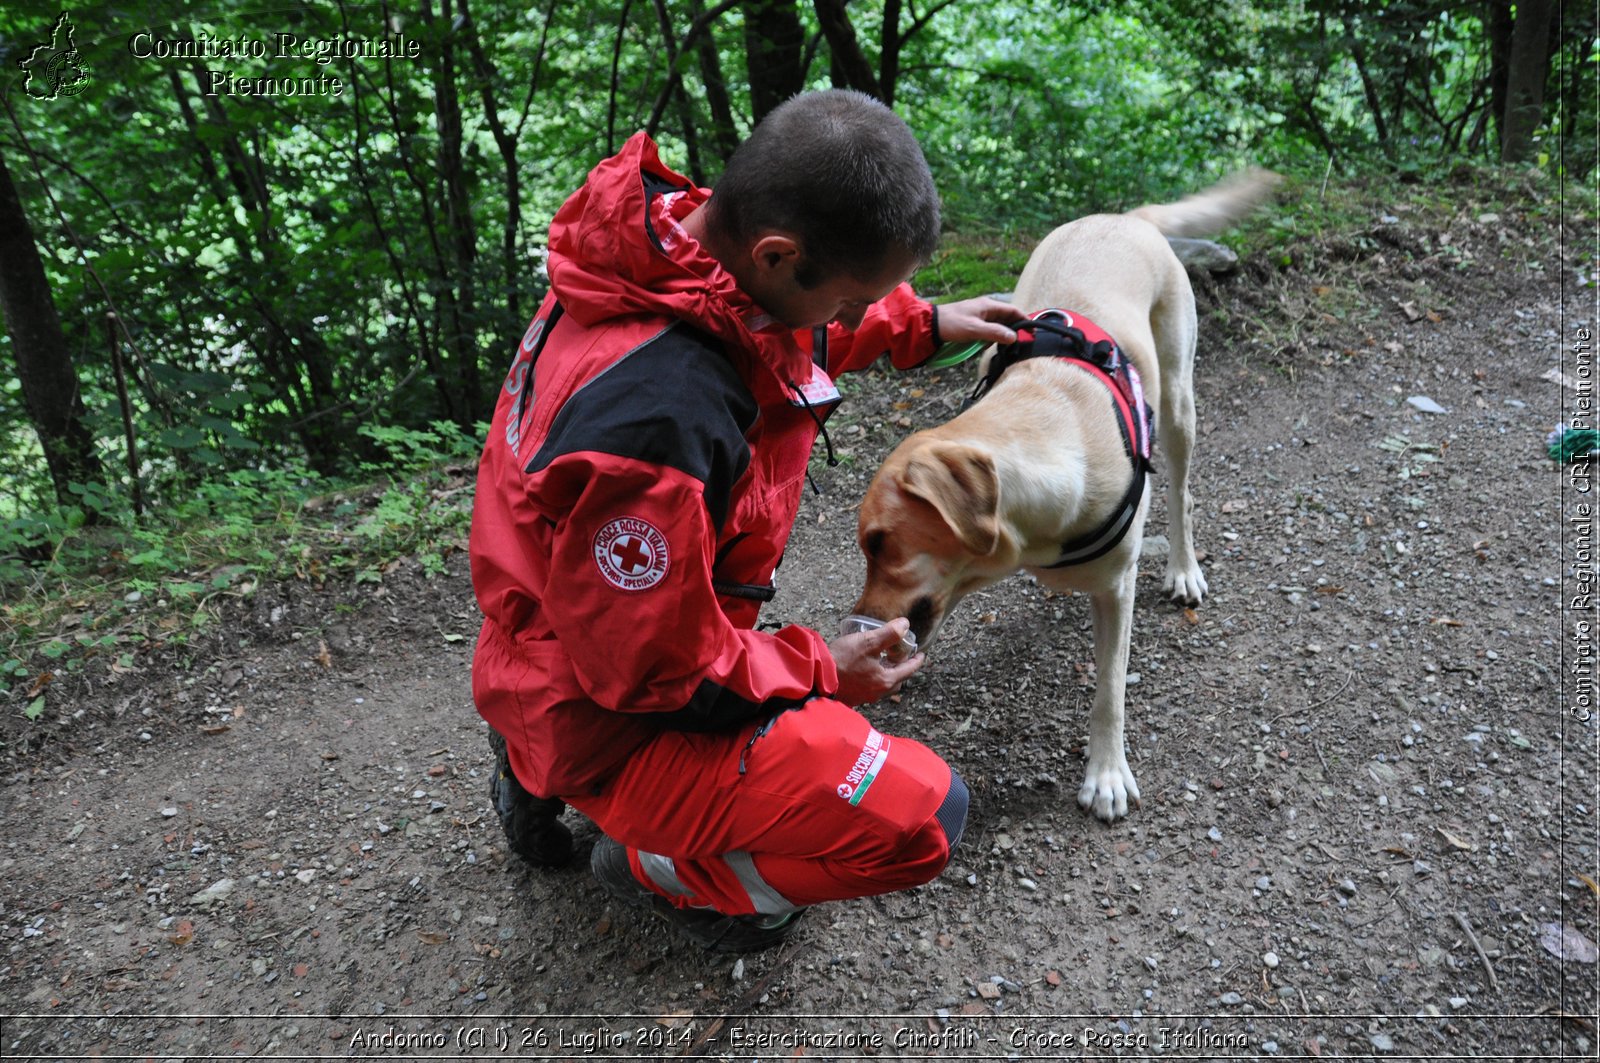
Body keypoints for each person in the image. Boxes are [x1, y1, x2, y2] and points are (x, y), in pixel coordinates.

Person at [470, 89, 1019, 953]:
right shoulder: (660, 423)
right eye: (850, 301)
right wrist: (822, 668)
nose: (846, 319)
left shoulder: (658, 251)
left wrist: (923, 324)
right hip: (610, 701)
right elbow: (654, 673)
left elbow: (770, 325)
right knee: (923, 817)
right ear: (777, 254)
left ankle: (531, 757)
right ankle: (658, 864)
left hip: (556, 632)